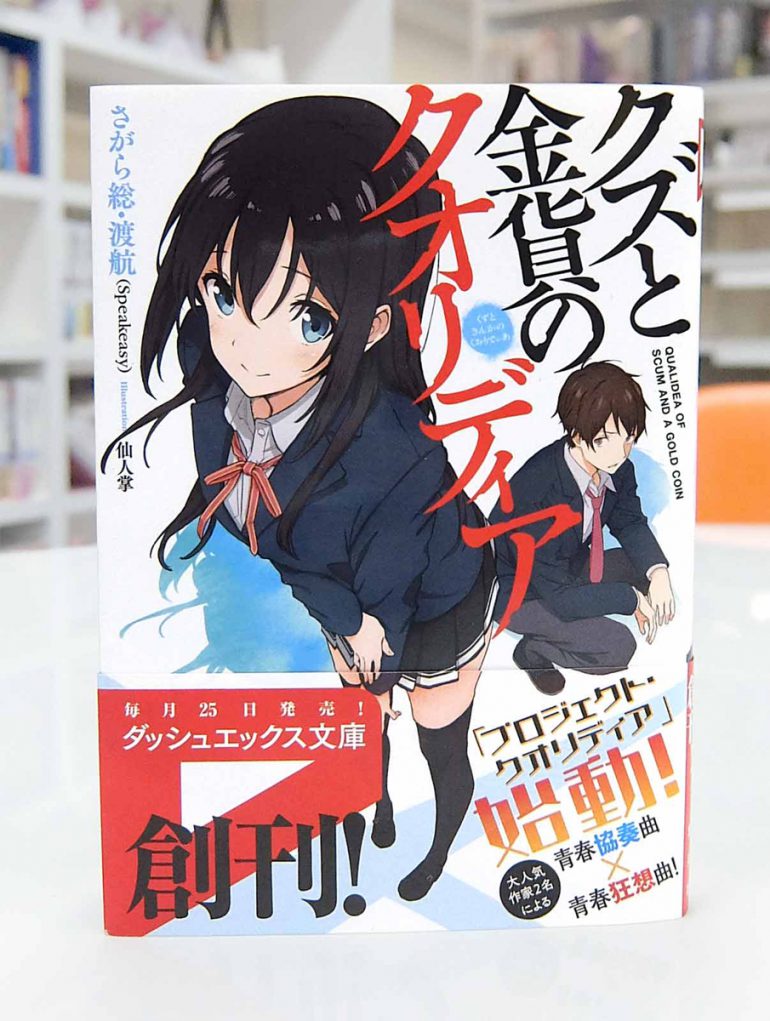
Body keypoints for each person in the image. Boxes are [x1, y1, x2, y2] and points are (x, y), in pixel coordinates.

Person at [102, 95, 496, 901]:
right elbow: (277, 539)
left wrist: (362, 637)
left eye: (309, 318)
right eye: (224, 291)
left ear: (376, 324)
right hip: (342, 593)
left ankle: (438, 843)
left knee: (432, 729)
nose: (247, 342)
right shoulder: (213, 366)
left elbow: (384, 589)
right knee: (362, 723)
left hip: (434, 593)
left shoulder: (396, 458)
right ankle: (374, 806)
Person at [490, 361, 675, 696]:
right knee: (617, 647)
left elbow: (630, 522)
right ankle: (534, 649)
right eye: (604, 439)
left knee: (641, 566)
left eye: (629, 438)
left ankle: (556, 635)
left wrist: (658, 573)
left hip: (570, 566)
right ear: (577, 434)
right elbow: (560, 598)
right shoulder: (539, 492)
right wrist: (630, 599)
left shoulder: (616, 468)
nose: (620, 453)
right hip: (520, 593)